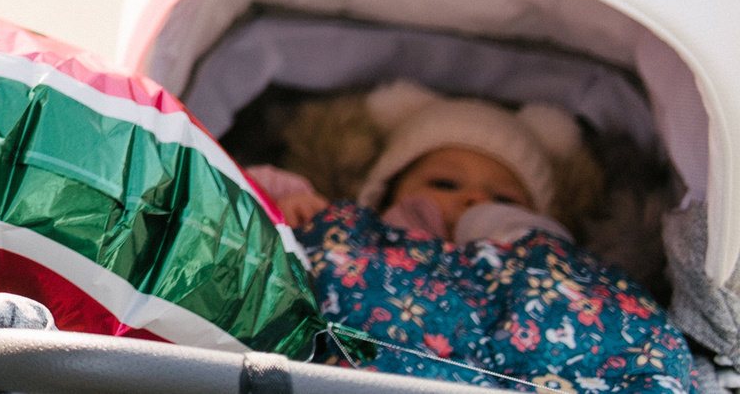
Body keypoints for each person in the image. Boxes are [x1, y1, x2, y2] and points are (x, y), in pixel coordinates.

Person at [248, 83, 695, 394]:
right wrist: (292, 202)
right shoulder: (352, 231)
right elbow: (225, 198)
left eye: (502, 196)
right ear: (382, 194)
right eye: (444, 184)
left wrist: (517, 233)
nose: (473, 200)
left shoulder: (545, 259)